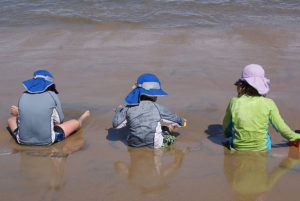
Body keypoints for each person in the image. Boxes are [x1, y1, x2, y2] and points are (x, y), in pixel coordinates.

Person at [223, 64, 300, 152]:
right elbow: (281, 128)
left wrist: (227, 135)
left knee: (232, 137)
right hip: (262, 148)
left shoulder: (234, 102)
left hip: (238, 147)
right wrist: (296, 136)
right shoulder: (269, 103)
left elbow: (226, 126)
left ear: (241, 84)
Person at [7, 70, 90, 146]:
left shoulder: (23, 95)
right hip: (47, 141)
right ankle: (81, 120)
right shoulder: (52, 96)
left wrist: (19, 114)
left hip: (22, 140)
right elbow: (59, 122)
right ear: (49, 86)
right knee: (75, 122)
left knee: (11, 120)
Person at [112, 73, 186, 148]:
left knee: (130, 129)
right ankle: (170, 127)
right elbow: (173, 118)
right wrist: (182, 122)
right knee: (166, 131)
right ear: (154, 96)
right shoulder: (158, 108)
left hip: (134, 143)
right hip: (155, 144)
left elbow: (116, 125)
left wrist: (119, 111)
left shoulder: (128, 108)